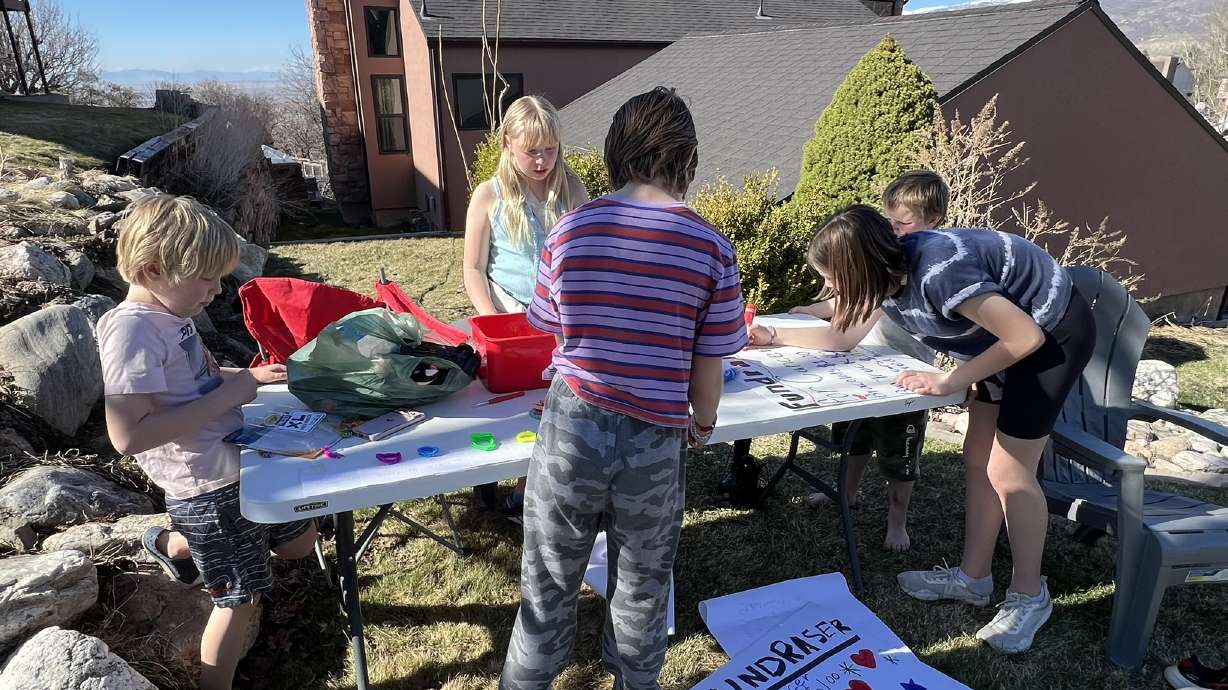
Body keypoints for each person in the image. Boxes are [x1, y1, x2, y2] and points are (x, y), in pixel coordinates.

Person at [748, 205, 1094, 654]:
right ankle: (974, 578)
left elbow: (1025, 338)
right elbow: (840, 338)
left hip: (1051, 334)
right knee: (977, 461)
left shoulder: (939, 272)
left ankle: (1030, 595)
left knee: (1009, 474)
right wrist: (771, 335)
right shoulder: (885, 273)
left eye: (833, 279)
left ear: (861, 269)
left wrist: (950, 380)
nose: (827, 289)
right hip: (1001, 340)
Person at [500, 87, 747, 690]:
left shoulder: (569, 232)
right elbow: (709, 363)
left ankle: (526, 681)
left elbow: (548, 325)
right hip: (656, 439)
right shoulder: (712, 248)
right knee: (643, 577)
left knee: (549, 573)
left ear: (614, 155)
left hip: (572, 426)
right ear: (687, 159)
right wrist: (705, 421)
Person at [98, 194, 318, 690]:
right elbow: (126, 436)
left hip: (237, 449)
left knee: (300, 542)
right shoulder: (131, 332)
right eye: (205, 278)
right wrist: (234, 395)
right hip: (205, 483)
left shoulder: (169, 315)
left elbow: (198, 381)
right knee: (238, 599)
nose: (217, 290)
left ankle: (173, 545)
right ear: (154, 269)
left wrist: (252, 377)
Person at [788, 171, 948, 552]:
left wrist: (780, 333)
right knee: (852, 439)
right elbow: (852, 297)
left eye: (902, 223)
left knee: (899, 456)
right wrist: (812, 309)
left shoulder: (915, 265)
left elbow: (840, 338)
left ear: (933, 220)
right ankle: (848, 493)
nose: (894, 231)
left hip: (907, 379)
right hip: (865, 368)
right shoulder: (881, 259)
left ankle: (898, 521)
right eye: (889, 221)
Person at [462, 95, 589, 521]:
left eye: (550, 149)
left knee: (549, 400)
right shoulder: (488, 196)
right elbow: (474, 269)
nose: (542, 161)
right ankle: (492, 477)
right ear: (507, 143)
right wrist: (494, 319)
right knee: (505, 401)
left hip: (559, 324)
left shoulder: (572, 190)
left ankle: (526, 488)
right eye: (532, 151)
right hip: (508, 321)